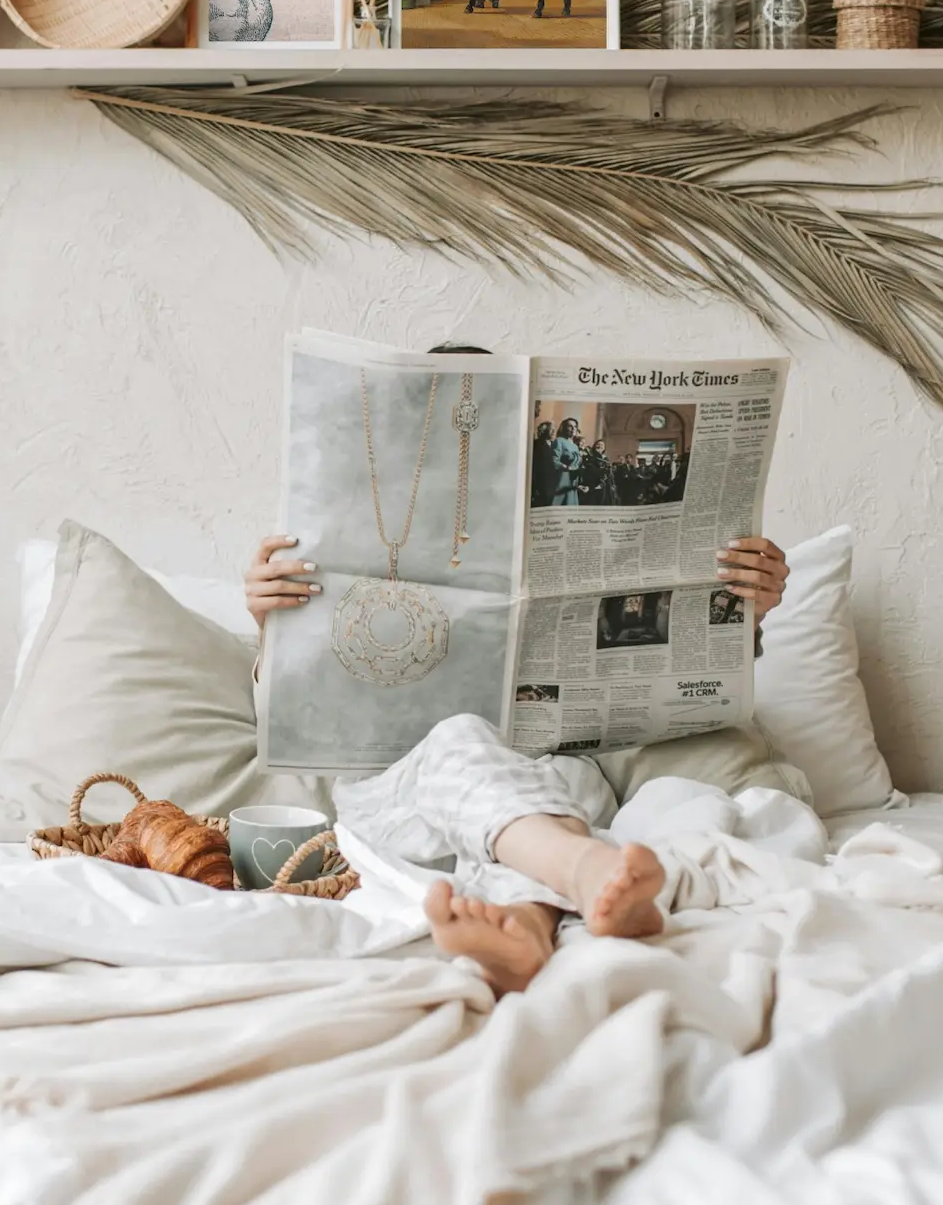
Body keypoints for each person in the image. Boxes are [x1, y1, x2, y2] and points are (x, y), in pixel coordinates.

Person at [244, 345, 789, 994]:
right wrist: (268, 623)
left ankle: (526, 928)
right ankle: (586, 873)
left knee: (649, 796)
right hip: (401, 798)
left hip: (555, 786)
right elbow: (289, 713)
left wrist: (744, 611)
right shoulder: (350, 539)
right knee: (459, 738)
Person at [551, 418, 583, 505]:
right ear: (564, 428)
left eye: (575, 427)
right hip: (562, 478)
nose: (573, 429)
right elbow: (554, 461)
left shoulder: (575, 446)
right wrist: (568, 468)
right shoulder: (559, 441)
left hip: (573, 481)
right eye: (570, 426)